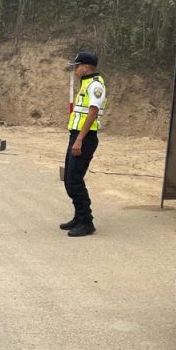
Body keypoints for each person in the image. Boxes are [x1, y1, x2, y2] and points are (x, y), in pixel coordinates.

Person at [61, 51, 107, 237]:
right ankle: (79, 217)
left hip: (85, 138)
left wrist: (79, 139)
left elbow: (93, 113)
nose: (76, 69)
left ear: (87, 67)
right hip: (76, 135)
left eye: (78, 66)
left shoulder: (95, 85)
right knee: (70, 180)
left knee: (74, 180)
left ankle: (87, 222)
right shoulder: (86, 83)